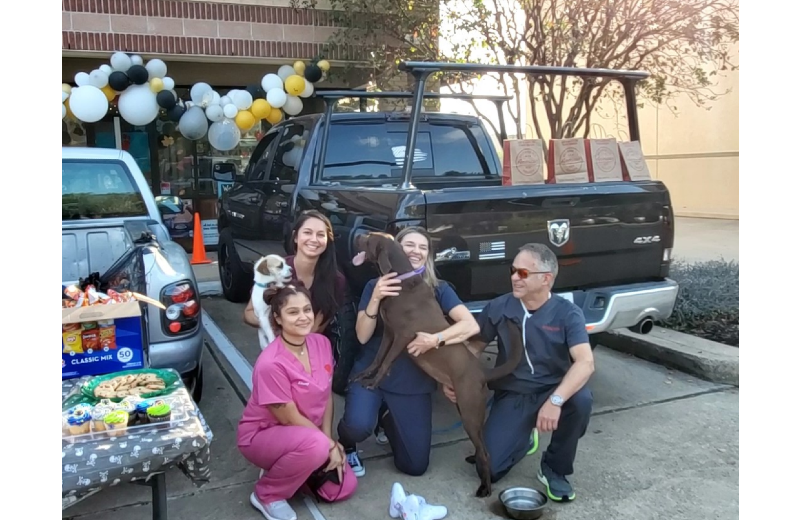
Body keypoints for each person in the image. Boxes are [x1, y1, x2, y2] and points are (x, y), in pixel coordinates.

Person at [444, 243, 595, 503]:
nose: (514, 277)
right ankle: (523, 440)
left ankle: (554, 469)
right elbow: (474, 347)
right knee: (487, 470)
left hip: (553, 389)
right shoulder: (499, 306)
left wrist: (556, 401)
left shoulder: (567, 313)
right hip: (514, 392)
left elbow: (585, 362)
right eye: (513, 270)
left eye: (523, 273)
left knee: (581, 400)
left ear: (546, 278)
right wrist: (456, 378)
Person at [338, 227, 481, 478]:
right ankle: (346, 443)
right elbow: (362, 335)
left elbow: (470, 325)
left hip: (411, 382)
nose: (416, 251)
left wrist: (435, 339)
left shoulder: (438, 289)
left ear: (428, 255)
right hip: (373, 371)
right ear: (396, 250)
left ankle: (388, 419)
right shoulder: (376, 285)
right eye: (409, 245)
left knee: (415, 466)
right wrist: (376, 297)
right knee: (358, 425)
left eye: (422, 247)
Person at [238, 284, 357, 520]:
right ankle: (267, 494)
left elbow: (326, 396)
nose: (303, 317)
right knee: (317, 447)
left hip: (308, 435)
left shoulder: (321, 344)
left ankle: (292, 467)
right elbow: (288, 418)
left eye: (307, 310)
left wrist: (329, 438)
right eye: (293, 312)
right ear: (278, 319)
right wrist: (329, 446)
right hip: (263, 435)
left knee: (342, 488)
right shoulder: (270, 363)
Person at [244, 210, 347, 338]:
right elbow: (249, 313)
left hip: (311, 348)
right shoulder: (275, 268)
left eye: (321, 235)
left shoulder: (336, 280)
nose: (314, 239)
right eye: (307, 232)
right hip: (276, 346)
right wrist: (271, 324)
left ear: (328, 240)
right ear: (296, 236)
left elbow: (318, 327)